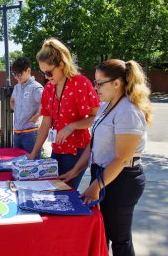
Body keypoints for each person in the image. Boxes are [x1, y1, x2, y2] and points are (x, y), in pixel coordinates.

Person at [60, 59, 151, 255]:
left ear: (117, 83)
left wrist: (95, 187)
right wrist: (75, 171)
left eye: (100, 83)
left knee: (120, 238)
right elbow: (93, 145)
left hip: (123, 180)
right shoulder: (105, 107)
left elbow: (122, 158)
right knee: (103, 233)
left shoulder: (128, 111)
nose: (95, 87)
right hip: (103, 175)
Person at [28, 38, 100, 189]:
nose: (46, 77)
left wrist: (72, 126)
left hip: (77, 150)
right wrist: (34, 153)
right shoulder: (48, 88)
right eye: (43, 73)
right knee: (53, 190)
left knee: (65, 193)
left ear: (61, 64)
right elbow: (46, 123)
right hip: (57, 149)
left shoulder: (81, 83)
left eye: (49, 72)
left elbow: (97, 118)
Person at [10, 57, 44, 155]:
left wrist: (36, 116)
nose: (16, 77)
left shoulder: (36, 87)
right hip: (17, 132)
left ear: (28, 71)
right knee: (17, 162)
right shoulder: (17, 87)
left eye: (19, 74)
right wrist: (17, 110)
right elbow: (12, 101)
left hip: (30, 133)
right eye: (14, 74)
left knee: (33, 164)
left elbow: (47, 104)